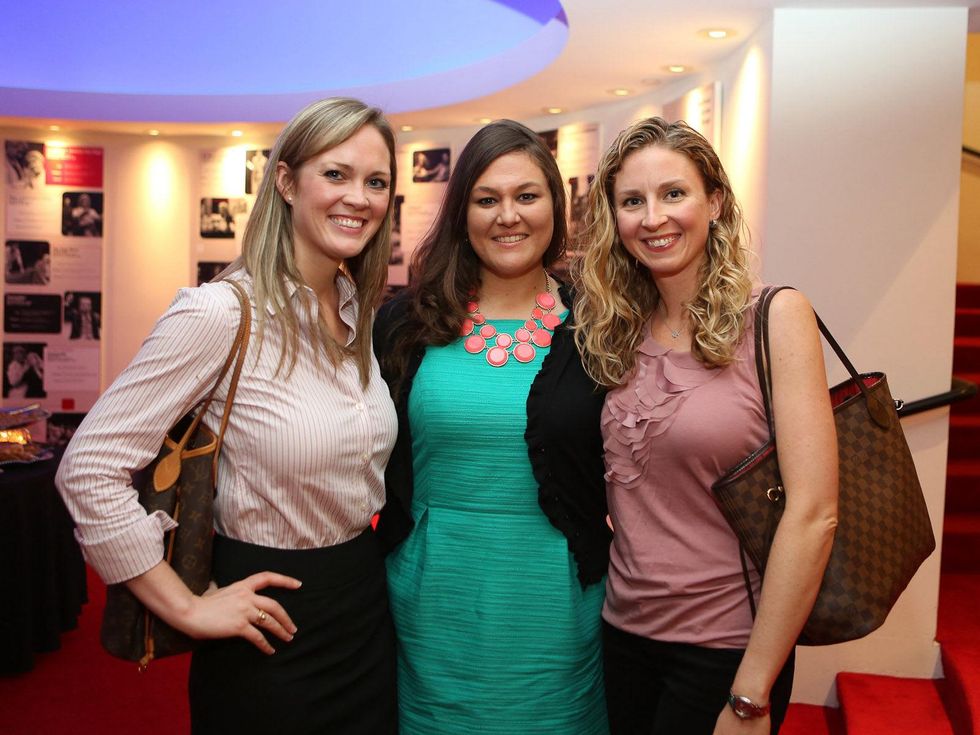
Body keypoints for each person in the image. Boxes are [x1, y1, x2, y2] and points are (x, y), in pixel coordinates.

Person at [56, 97, 400, 734]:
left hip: (363, 608)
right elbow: (89, 468)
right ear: (286, 182)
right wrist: (185, 608)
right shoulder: (219, 313)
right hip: (266, 625)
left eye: (376, 182)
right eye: (336, 174)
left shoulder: (360, 313)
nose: (358, 197)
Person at [573, 117, 839, 735]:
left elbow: (815, 513)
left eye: (674, 193)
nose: (653, 218)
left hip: (728, 647)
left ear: (714, 201)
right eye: (632, 201)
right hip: (622, 636)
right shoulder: (612, 329)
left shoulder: (774, 317)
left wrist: (752, 690)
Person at [374, 119, 611, 734]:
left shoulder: (601, 323)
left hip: (558, 608)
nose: (508, 216)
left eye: (526, 196)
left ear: (555, 206)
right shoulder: (405, 323)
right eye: (487, 199)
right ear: (463, 213)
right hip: (432, 602)